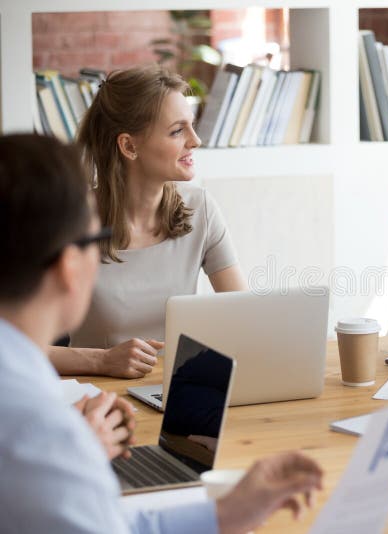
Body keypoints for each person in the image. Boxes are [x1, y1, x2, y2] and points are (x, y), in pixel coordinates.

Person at [0, 133, 323, 533]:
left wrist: (224, 514)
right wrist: (70, 453)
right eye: (95, 240)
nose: (195, 140)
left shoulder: (36, 414)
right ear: (69, 266)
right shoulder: (39, 429)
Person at [49, 65, 246, 379]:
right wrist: (101, 361)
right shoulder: (71, 222)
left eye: (191, 126)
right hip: (100, 402)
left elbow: (244, 316)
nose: (195, 141)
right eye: (177, 130)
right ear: (129, 146)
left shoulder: (201, 208)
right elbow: (15, 346)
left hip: (178, 394)